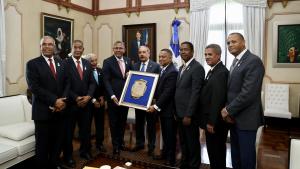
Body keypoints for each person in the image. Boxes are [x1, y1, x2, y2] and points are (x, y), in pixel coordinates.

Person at [221, 33, 265, 169]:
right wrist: (230, 113)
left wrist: (228, 110)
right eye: (228, 43)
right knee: (236, 155)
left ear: (243, 42)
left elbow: (248, 93)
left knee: (246, 158)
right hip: (234, 118)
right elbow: (232, 91)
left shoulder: (253, 61)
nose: (230, 45)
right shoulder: (235, 61)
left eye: (234, 42)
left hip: (247, 119)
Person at [26, 36, 69, 169]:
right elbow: (34, 87)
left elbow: (67, 83)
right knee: (42, 146)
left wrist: (63, 100)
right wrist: (54, 101)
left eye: (50, 44)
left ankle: (55, 164)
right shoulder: (32, 64)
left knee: (57, 143)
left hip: (60, 111)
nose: (47, 46)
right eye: (44, 44)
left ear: (54, 46)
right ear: (40, 47)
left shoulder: (61, 62)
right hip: (42, 112)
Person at [63, 40, 96, 166]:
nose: (77, 50)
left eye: (80, 48)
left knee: (85, 130)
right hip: (71, 104)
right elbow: (65, 85)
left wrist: (88, 96)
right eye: (75, 47)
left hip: (86, 104)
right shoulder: (65, 63)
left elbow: (92, 82)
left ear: (83, 49)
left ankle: (85, 151)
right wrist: (76, 98)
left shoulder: (87, 63)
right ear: (71, 49)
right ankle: (68, 156)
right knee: (69, 132)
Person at [174, 41, 205, 169]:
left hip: (189, 115)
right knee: (183, 141)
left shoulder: (197, 68)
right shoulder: (182, 68)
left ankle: (194, 165)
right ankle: (185, 163)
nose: (182, 52)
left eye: (185, 49)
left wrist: (189, 114)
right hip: (179, 113)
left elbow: (195, 93)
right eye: (181, 50)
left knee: (192, 142)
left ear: (192, 52)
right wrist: (176, 112)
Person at [200, 44, 229, 169]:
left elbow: (217, 100)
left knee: (216, 151)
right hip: (211, 119)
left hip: (215, 122)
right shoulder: (212, 70)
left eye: (210, 54)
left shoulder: (221, 72)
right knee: (213, 151)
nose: (207, 57)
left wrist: (212, 122)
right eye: (205, 54)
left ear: (218, 55)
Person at [147, 48, 178, 166]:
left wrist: (155, 106)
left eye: (163, 57)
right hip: (163, 109)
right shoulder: (163, 69)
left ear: (170, 58)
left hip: (169, 110)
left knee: (170, 135)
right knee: (165, 134)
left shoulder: (172, 71)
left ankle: (171, 159)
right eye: (159, 56)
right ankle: (165, 154)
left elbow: (168, 92)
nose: (160, 59)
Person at [102, 41, 132, 156]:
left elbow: (133, 77)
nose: (118, 50)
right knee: (114, 122)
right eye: (116, 48)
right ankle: (115, 146)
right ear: (113, 49)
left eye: (121, 48)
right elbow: (106, 80)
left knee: (122, 121)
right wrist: (112, 96)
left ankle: (120, 141)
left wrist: (130, 73)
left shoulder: (128, 61)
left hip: (126, 98)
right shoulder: (107, 61)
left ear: (124, 49)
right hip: (113, 98)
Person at [131, 46, 160, 156]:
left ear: (149, 53)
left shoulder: (156, 66)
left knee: (151, 125)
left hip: (150, 102)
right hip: (138, 101)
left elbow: (158, 84)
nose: (141, 54)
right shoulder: (135, 66)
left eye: (144, 52)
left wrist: (155, 100)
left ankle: (151, 146)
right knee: (139, 123)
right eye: (140, 52)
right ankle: (139, 143)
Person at [86, 53, 106, 153]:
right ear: (87, 62)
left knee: (100, 124)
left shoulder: (100, 71)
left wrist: (103, 97)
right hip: (89, 103)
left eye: (95, 60)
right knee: (87, 125)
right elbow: (85, 88)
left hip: (100, 102)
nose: (94, 63)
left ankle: (99, 143)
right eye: (91, 61)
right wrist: (93, 100)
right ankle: (87, 146)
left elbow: (103, 86)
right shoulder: (85, 72)